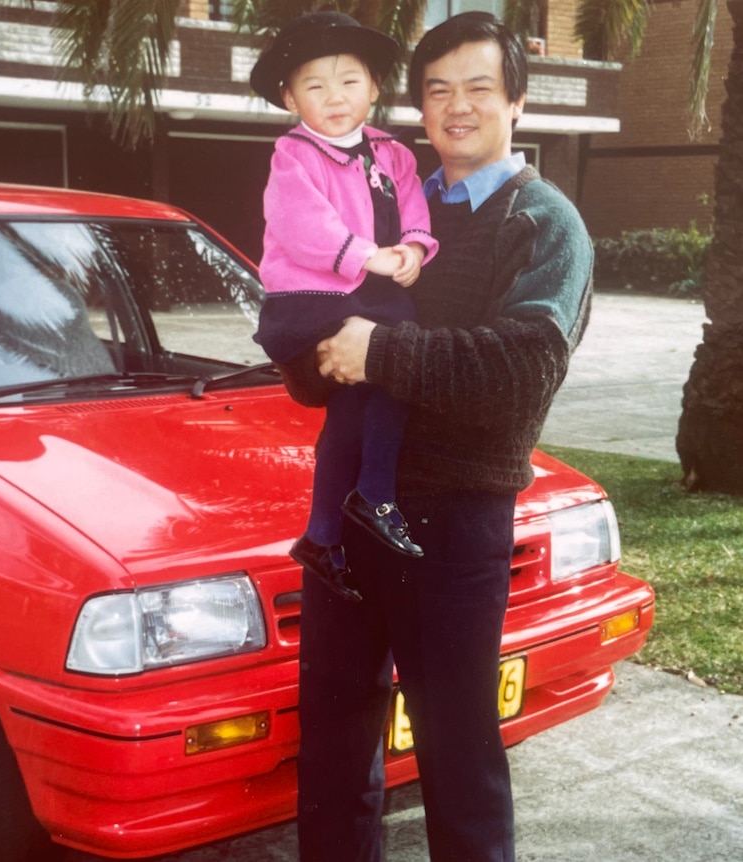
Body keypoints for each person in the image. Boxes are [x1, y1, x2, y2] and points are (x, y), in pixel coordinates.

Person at [294, 12, 594, 862]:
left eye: (478, 88)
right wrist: (311, 351)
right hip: (351, 518)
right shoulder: (389, 201)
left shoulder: (544, 225)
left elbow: (523, 368)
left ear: (517, 102)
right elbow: (320, 331)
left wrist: (378, 351)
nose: (457, 107)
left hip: (455, 525)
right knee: (334, 743)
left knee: (458, 756)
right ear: (418, 107)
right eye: (437, 90)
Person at [249, 12, 439, 602]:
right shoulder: (295, 156)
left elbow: (414, 211)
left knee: (359, 401)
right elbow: (303, 226)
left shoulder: (393, 153)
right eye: (314, 85)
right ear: (289, 98)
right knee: (396, 347)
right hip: (309, 296)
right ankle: (375, 493)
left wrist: (413, 248)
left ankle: (323, 531)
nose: (334, 97)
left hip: (368, 289)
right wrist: (367, 255)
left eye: (349, 81)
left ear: (375, 88)